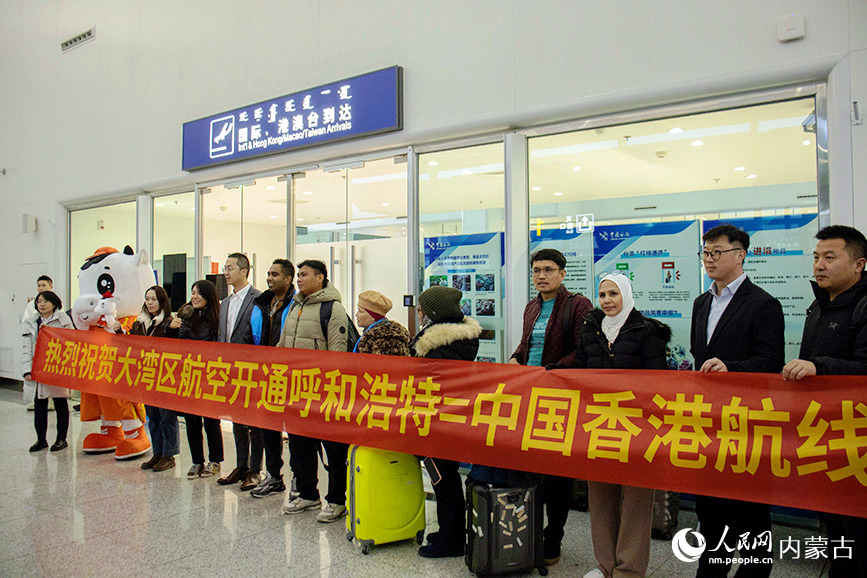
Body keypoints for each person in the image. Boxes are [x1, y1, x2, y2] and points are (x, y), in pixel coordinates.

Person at [691, 224, 784, 578]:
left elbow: (771, 361)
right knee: (710, 512)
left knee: (750, 515)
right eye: (706, 252)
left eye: (717, 252)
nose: (709, 259)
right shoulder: (702, 303)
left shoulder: (763, 304)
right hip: (708, 424)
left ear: (739, 255)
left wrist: (732, 368)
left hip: (746, 424)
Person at [781, 225, 867, 578]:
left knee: (857, 531)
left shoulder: (863, 306)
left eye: (830, 257)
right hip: (821, 436)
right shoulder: (818, 306)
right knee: (834, 530)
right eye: (816, 257)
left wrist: (818, 367)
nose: (819, 265)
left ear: (859, 264)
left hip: (857, 442)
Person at [575, 273, 669, 578]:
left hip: (637, 427)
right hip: (599, 424)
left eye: (613, 294)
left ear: (626, 295)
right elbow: (578, 369)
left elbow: (659, 383)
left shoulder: (647, 331)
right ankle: (605, 565)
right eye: (602, 295)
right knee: (600, 497)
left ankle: (629, 569)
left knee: (636, 501)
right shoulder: (591, 328)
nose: (607, 301)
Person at [509, 248, 592, 565]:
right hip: (530, 396)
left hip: (560, 397)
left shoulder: (577, 305)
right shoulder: (532, 307)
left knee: (557, 474)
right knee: (531, 470)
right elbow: (526, 343)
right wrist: (517, 358)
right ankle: (529, 532)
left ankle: (552, 539)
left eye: (547, 269)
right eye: (535, 271)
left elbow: (582, 352)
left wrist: (550, 369)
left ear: (562, 273)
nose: (541, 276)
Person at [277, 259, 351, 523]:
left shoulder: (333, 309)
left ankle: (336, 500)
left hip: (323, 392)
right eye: (298, 275)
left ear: (320, 278)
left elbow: (338, 353)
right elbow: (283, 344)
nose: (298, 279)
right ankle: (308, 494)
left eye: (304, 275)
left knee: (333, 448)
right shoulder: (294, 307)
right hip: (296, 390)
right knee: (300, 444)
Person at [412, 285, 482, 558]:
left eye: (421, 309)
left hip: (436, 422)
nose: (418, 314)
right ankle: (447, 532)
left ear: (432, 314)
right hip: (449, 420)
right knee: (445, 478)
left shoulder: (437, 347)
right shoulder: (460, 340)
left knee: (443, 480)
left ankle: (451, 540)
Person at [248, 259, 295, 498]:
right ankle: (274, 476)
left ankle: (300, 479)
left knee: (297, 431)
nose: (269, 278)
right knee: (268, 426)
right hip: (265, 376)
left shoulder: (297, 304)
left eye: (275, 274)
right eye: (268, 273)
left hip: (292, 375)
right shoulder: (261, 304)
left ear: (288, 279)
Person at [216, 253, 263, 490]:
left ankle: (256, 470)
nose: (226, 272)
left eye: (230, 268)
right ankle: (241, 466)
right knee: (237, 420)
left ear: (244, 271)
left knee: (255, 422)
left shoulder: (259, 299)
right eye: (225, 267)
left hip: (253, 370)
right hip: (230, 371)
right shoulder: (225, 303)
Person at [168, 280, 224, 479]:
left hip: (209, 376)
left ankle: (215, 460)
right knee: (191, 421)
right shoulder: (184, 315)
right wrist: (170, 329)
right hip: (188, 375)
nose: (195, 297)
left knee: (211, 420)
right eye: (193, 292)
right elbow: (173, 347)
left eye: (199, 293)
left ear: (208, 295)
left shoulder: (218, 318)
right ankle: (196, 461)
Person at [130, 286, 178, 472]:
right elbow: (130, 347)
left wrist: (170, 328)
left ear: (161, 301)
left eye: (154, 299)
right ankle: (157, 452)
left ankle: (169, 454)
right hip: (147, 377)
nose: (150, 303)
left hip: (165, 377)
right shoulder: (139, 324)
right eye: (147, 299)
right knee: (153, 417)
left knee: (167, 417)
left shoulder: (169, 323)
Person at [21, 290, 73, 452]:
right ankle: (41, 439)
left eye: (45, 301)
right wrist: (26, 370)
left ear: (54, 303)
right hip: (38, 369)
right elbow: (26, 348)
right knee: (40, 405)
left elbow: (71, 344)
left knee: (60, 403)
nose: (41, 304)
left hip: (57, 369)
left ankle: (61, 439)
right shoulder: (31, 322)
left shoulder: (63, 320)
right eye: (39, 302)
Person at [22, 275, 54, 411]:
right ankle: (37, 400)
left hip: (51, 344)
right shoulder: (32, 304)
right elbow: (26, 322)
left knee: (51, 374)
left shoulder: (56, 303)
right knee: (35, 371)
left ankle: (52, 400)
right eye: (39, 286)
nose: (41, 288)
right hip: (36, 341)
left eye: (44, 286)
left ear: (51, 286)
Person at [354, 290, 410, 356]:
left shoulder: (387, 341)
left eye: (360, 311)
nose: (356, 314)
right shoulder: (372, 335)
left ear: (373, 316)